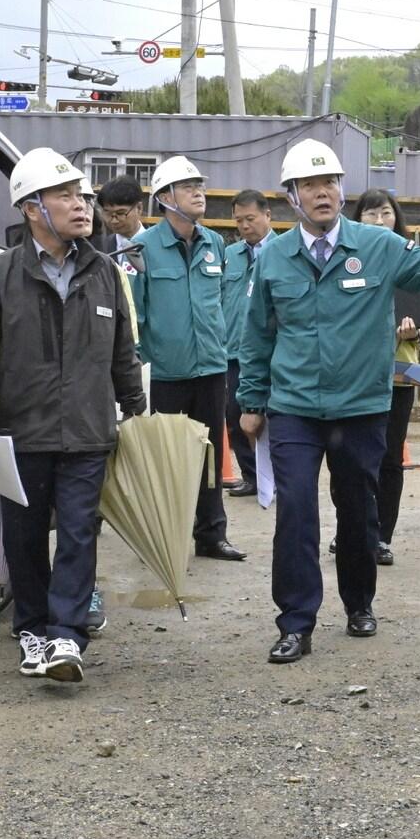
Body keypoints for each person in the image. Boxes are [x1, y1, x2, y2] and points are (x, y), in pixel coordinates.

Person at [237, 138, 420, 664]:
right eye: (310, 186)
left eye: (331, 183)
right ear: (292, 196)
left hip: (363, 405)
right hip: (294, 406)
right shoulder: (273, 257)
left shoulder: (378, 245)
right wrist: (251, 401)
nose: (323, 193)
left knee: (358, 508)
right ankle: (296, 621)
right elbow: (256, 336)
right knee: (295, 511)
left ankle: (359, 601)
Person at [0, 148, 145, 682]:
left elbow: (121, 352)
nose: (81, 205)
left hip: (88, 431)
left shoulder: (106, 273)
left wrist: (134, 409)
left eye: (81, 195)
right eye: (65, 196)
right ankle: (32, 630)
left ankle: (67, 637)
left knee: (80, 533)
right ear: (32, 208)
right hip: (21, 433)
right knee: (24, 537)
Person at [129, 157, 245, 562]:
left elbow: (223, 306)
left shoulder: (215, 244)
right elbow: (136, 314)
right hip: (167, 373)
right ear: (164, 197)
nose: (199, 192)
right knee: (169, 460)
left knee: (211, 455)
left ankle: (212, 535)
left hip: (212, 367)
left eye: (200, 184)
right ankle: (166, 537)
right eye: (188, 185)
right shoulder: (142, 250)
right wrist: (138, 366)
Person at [342, 187, 420, 566]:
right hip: (354, 374)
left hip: (397, 375)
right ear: (357, 219)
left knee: (390, 457)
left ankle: (381, 535)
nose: (380, 221)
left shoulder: (409, 258)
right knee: (350, 459)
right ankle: (350, 530)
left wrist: (415, 330)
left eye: (386, 214)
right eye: (371, 214)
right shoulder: (344, 258)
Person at [222, 189, 276, 498]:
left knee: (275, 417)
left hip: (272, 351)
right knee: (235, 415)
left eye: (250, 218)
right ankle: (251, 477)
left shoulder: (283, 252)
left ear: (268, 215)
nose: (244, 226)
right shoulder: (230, 256)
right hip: (234, 350)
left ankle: (277, 477)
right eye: (239, 220)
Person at [96, 174, 146, 252]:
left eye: (120, 213)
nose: (114, 221)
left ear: (139, 208)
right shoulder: (99, 250)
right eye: (108, 213)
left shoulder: (156, 245)